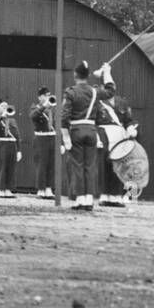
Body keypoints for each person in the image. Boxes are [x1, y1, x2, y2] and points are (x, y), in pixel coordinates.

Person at [61, 59, 105, 211]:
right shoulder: (95, 91)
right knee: (90, 166)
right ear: (87, 75)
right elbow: (111, 91)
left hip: (76, 131)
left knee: (77, 165)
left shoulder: (71, 92)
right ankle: (89, 199)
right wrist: (107, 73)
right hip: (91, 131)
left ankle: (79, 199)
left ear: (75, 75)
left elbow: (64, 117)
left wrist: (66, 137)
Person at [95, 70, 134, 208]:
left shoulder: (122, 102)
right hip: (104, 134)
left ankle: (116, 196)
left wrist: (130, 128)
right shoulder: (98, 102)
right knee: (104, 166)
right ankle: (105, 195)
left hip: (119, 135)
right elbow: (94, 120)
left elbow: (128, 120)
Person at [29, 86, 58, 200]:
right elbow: (33, 116)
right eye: (45, 95)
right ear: (39, 97)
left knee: (51, 164)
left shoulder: (53, 109)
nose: (47, 97)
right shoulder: (35, 107)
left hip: (52, 137)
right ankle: (41, 189)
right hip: (41, 138)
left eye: (48, 95)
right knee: (41, 164)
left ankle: (49, 188)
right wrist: (43, 107)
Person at [0, 99, 20, 198]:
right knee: (2, 167)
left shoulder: (12, 120)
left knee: (11, 167)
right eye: (2, 106)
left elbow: (17, 135)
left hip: (12, 145)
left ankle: (8, 189)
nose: (5, 108)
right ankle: (1, 189)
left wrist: (19, 150)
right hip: (2, 143)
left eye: (6, 106)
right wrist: (2, 117)